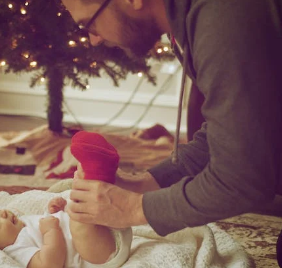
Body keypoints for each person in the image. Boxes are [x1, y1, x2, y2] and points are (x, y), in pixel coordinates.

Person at [62, 0, 282, 240]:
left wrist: (134, 209)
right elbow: (238, 131)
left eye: (89, 25)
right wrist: (144, 184)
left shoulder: (224, 19)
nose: (94, 40)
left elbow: (242, 178)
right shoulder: (188, 22)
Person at [0, 196, 132, 268]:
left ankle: (115, 203)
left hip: (102, 233)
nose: (1, 212)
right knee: (79, 213)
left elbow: (45, 224)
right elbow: (49, 263)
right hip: (96, 256)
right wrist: (51, 231)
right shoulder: (15, 250)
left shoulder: (21, 225)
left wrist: (54, 211)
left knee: (77, 204)